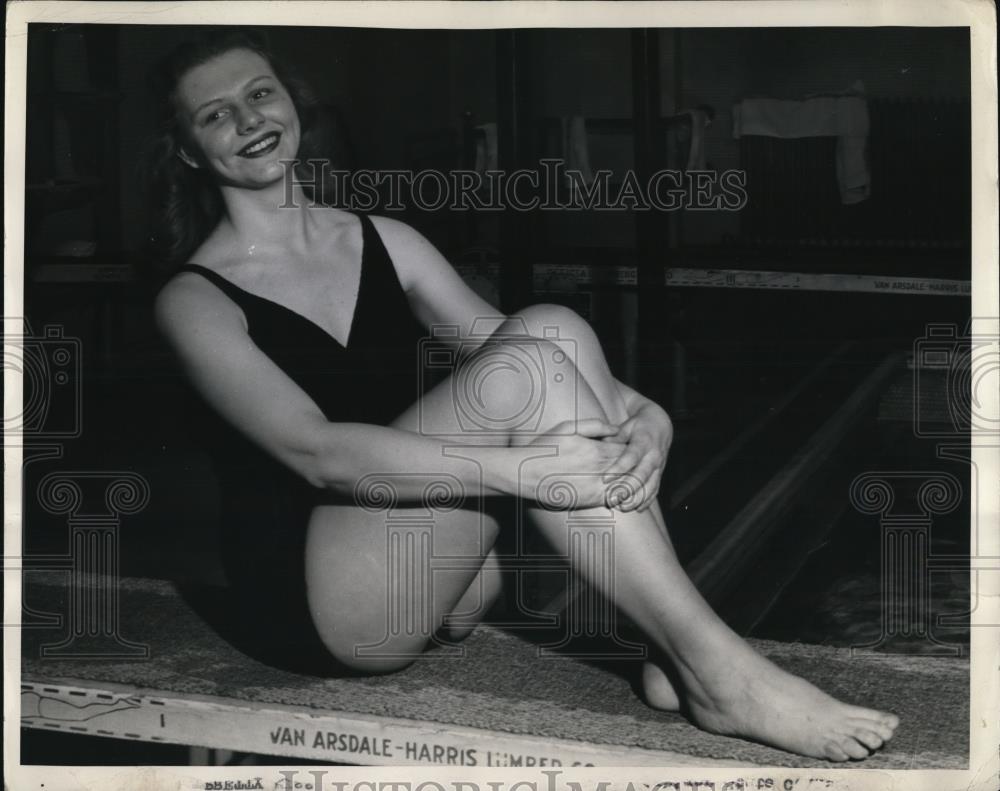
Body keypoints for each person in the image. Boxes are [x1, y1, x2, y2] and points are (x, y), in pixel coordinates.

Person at [148, 30, 899, 762]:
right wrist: (527, 472)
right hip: (319, 599)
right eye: (215, 113)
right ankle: (717, 670)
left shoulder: (383, 239)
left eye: (259, 94)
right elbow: (318, 452)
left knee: (553, 327)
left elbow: (533, 348)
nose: (248, 120)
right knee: (535, 359)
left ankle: (673, 656)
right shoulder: (195, 298)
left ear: (292, 104)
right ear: (187, 149)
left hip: (427, 564)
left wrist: (651, 418)